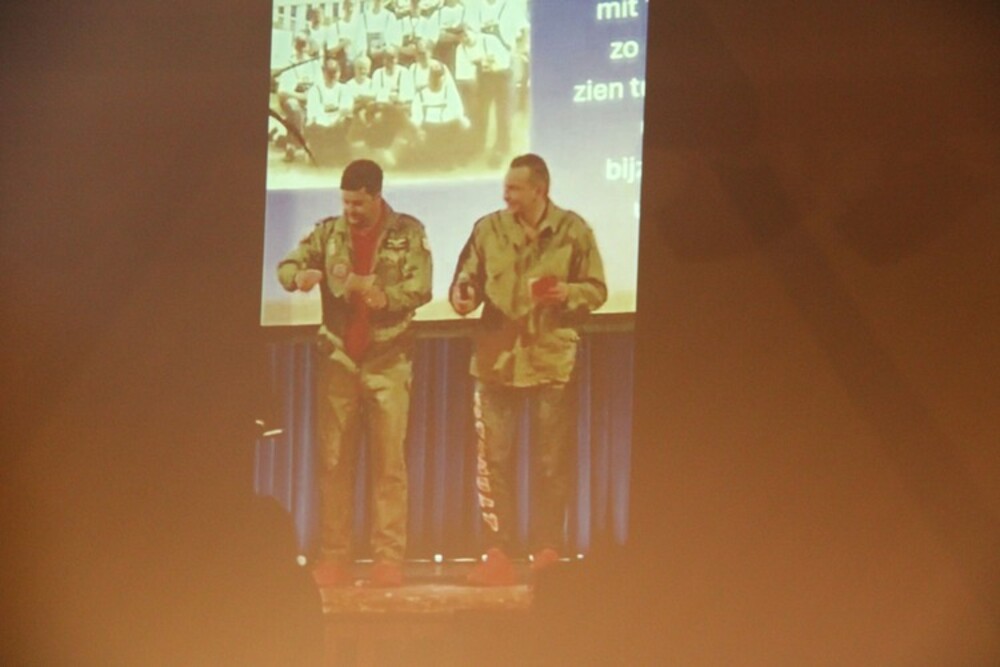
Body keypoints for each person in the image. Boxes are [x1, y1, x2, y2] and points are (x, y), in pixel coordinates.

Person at [449, 154, 607, 585]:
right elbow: (465, 282)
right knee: (494, 462)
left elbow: (597, 290)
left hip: (551, 359)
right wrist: (463, 297)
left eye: (515, 188)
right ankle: (497, 552)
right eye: (505, 187)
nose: (506, 195)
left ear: (539, 190)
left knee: (551, 461)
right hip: (496, 360)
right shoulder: (487, 229)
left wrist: (567, 292)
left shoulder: (574, 230)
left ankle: (548, 549)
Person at [277, 159, 433, 588]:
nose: (350, 210)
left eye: (358, 203)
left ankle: (388, 559)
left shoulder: (408, 233)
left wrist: (386, 297)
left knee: (388, 465)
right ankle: (334, 556)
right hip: (339, 362)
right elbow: (285, 266)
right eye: (345, 202)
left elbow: (422, 287)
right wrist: (299, 277)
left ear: (377, 196)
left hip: (389, 360)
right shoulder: (328, 233)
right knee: (334, 463)